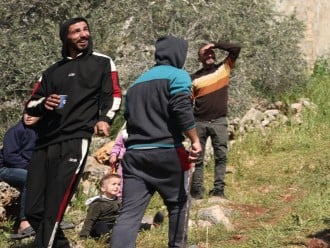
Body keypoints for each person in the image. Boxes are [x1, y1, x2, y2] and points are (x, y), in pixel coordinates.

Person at [23, 17, 121, 248]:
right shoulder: (51, 72)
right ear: (65, 37)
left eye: (86, 29)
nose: (83, 34)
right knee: (33, 209)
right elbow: (30, 104)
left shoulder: (102, 62)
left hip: (75, 139)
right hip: (44, 142)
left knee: (54, 207)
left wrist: (104, 119)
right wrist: (44, 103)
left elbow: (114, 95)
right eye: (76, 31)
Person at [110, 36, 201, 248]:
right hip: (168, 152)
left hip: (134, 155)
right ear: (179, 54)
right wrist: (195, 140)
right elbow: (182, 110)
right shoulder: (178, 76)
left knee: (129, 214)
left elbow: (129, 118)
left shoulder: (136, 84)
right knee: (179, 205)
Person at [189, 40, 241, 199]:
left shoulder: (223, 69)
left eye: (211, 53)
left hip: (219, 121)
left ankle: (218, 190)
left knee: (221, 156)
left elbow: (236, 48)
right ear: (199, 59)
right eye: (205, 54)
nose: (209, 55)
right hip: (199, 122)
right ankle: (197, 192)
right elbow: (187, 101)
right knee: (198, 159)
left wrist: (214, 44)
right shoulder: (193, 78)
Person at [1, 113, 40, 240]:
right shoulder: (15, 131)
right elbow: (10, 157)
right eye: (27, 113)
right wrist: (33, 169)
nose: (29, 116)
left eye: (34, 113)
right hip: (5, 169)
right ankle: (24, 223)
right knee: (30, 178)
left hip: (24, 168)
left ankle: (50, 219)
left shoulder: (41, 132)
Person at [79, 173, 122, 240]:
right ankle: (108, 239)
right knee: (101, 225)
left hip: (112, 224)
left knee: (127, 225)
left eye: (119, 184)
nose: (117, 187)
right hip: (98, 226)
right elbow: (90, 220)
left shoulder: (118, 201)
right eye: (113, 184)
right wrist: (83, 236)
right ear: (103, 188)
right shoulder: (98, 203)